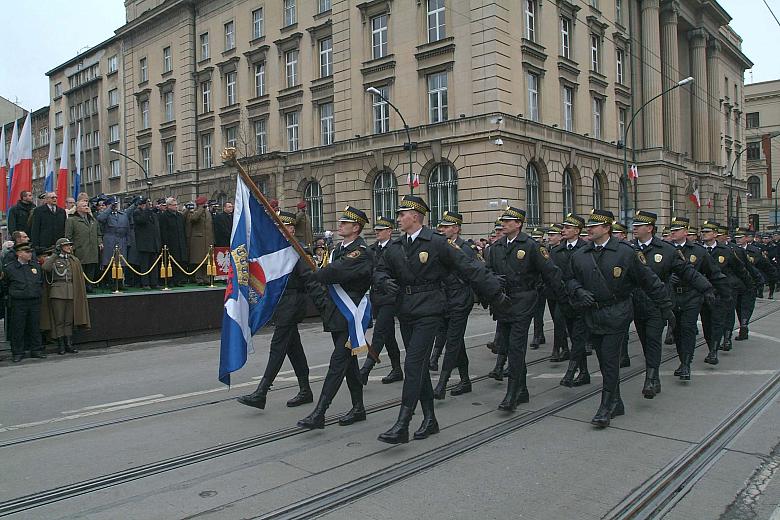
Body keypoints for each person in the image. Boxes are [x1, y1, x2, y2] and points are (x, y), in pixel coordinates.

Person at [373, 196, 505, 443]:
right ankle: (430, 419)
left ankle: (403, 423)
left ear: (415, 216)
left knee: (413, 364)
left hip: (429, 310)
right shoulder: (397, 245)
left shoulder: (437, 242)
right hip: (406, 310)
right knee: (419, 367)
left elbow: (469, 267)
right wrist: (384, 281)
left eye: (402, 214)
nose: (398, 218)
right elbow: (380, 268)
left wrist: (495, 292)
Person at [566, 209, 673, 428]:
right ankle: (616, 402)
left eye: (595, 226)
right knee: (604, 360)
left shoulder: (625, 252)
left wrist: (665, 306)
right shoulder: (580, 254)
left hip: (617, 312)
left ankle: (607, 405)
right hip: (592, 314)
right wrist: (578, 291)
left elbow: (649, 280)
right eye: (589, 225)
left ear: (607, 228)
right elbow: (569, 278)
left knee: (609, 359)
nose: (590, 229)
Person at [297, 206, 374, 430]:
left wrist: (314, 273)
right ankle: (358, 407)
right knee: (349, 364)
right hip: (339, 313)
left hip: (353, 314)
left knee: (337, 362)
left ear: (356, 227)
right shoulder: (339, 248)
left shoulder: (360, 251)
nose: (340, 225)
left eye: (345, 223)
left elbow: (335, 272)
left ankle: (320, 412)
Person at [485, 206, 566, 412]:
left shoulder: (531, 246)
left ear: (518, 224)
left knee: (516, 347)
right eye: (503, 221)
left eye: (508, 221)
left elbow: (551, 272)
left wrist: (561, 297)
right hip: (502, 302)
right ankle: (522, 390)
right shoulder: (497, 247)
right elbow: (487, 271)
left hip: (523, 301)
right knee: (508, 347)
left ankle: (512, 392)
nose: (503, 224)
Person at [631, 211, 714, 398]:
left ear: (650, 228)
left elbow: (687, 271)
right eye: (634, 225)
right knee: (645, 340)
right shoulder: (628, 249)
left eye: (639, 225)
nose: (634, 228)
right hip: (637, 304)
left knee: (653, 339)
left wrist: (706, 288)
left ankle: (651, 378)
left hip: (658, 304)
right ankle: (654, 375)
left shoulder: (666, 250)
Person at [237, 211, 314, 410]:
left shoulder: (299, 250)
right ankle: (305, 390)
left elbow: (310, 280)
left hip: (293, 303)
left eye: (284, 227)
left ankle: (261, 392)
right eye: (278, 227)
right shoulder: (278, 250)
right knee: (293, 348)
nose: (280, 231)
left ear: (291, 229)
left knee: (278, 346)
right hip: (281, 304)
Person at [666, 216, 724, 381]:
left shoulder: (698, 251)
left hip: (692, 295)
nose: (673, 233)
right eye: (672, 230)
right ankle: (682, 359)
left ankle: (686, 363)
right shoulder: (666, 249)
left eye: (676, 230)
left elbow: (713, 272)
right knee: (676, 330)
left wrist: (718, 292)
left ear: (685, 232)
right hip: (672, 295)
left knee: (688, 328)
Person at [431, 211, 479, 399]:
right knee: (456, 341)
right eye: (440, 226)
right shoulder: (442, 247)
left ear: (456, 229)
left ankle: (442, 383)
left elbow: (475, 272)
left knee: (453, 340)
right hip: (444, 299)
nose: (441, 229)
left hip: (460, 298)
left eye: (445, 227)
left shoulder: (465, 249)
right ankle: (465, 380)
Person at [359, 216, 403, 385]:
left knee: (379, 333)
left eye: (381, 229)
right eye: (376, 229)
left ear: (389, 231)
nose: (377, 232)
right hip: (377, 297)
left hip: (391, 297)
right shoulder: (371, 249)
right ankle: (397, 369)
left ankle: (365, 369)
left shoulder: (396, 248)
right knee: (388, 335)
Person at [699, 221, 751, 365]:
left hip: (720, 293)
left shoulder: (726, 251)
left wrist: (749, 286)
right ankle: (711, 347)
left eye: (707, 232)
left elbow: (740, 269)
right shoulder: (698, 250)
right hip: (704, 294)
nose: (704, 234)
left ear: (715, 234)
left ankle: (714, 351)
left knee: (718, 322)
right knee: (706, 323)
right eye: (703, 232)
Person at [553, 214, 590, 386]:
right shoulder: (557, 251)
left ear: (577, 231)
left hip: (581, 300)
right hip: (563, 300)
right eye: (564, 227)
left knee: (579, 336)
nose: (563, 230)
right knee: (572, 336)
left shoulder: (587, 248)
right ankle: (584, 372)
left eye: (568, 228)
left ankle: (571, 370)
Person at [41, 238, 90, 354]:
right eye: (66, 245)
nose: (69, 247)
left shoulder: (73, 260)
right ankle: (61, 344)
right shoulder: (53, 259)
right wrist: (54, 255)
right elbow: (45, 268)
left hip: (71, 292)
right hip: (57, 292)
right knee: (59, 320)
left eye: (69, 245)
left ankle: (68, 343)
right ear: (59, 247)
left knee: (68, 320)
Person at [3, 243, 45, 362]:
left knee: (35, 327)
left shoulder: (35, 266)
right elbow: (5, 285)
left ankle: (36, 349)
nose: (29, 254)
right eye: (26, 252)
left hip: (34, 300)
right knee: (18, 328)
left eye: (30, 251)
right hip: (18, 302)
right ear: (19, 253)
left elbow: (40, 282)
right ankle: (17, 352)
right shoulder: (10, 268)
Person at [65, 200, 103, 292]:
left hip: (92, 248)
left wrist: (100, 242)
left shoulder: (93, 220)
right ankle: (80, 287)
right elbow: (68, 236)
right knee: (80, 268)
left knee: (91, 268)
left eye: (87, 205)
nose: (86, 207)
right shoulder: (72, 220)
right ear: (77, 208)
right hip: (80, 248)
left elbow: (98, 234)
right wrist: (71, 247)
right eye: (83, 206)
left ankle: (89, 285)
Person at [97, 196, 136, 275]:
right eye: (113, 204)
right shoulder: (105, 214)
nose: (115, 206)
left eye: (116, 204)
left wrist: (128, 242)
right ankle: (111, 283)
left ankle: (120, 282)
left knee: (121, 262)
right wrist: (109, 208)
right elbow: (100, 218)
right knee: (110, 262)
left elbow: (127, 229)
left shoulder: (122, 214)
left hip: (121, 240)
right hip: (110, 241)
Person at [185, 196, 215, 285]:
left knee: (207, 261)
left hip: (208, 240)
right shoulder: (194, 211)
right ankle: (199, 278)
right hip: (198, 240)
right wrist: (201, 209)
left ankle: (206, 278)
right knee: (199, 261)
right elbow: (193, 219)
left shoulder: (208, 212)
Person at [132, 197, 161, 289]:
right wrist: (147, 210)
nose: (150, 206)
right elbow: (142, 220)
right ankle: (145, 283)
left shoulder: (153, 214)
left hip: (153, 244)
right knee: (145, 265)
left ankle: (154, 282)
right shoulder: (137, 212)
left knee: (154, 265)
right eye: (147, 204)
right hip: (144, 244)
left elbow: (156, 229)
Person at [158, 197, 188, 286]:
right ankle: (169, 280)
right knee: (170, 263)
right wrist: (165, 244)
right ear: (168, 206)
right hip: (170, 243)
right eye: (174, 205)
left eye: (176, 205)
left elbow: (183, 229)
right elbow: (163, 231)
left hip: (180, 242)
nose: (176, 206)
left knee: (179, 262)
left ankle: (177, 280)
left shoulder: (179, 216)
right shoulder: (164, 216)